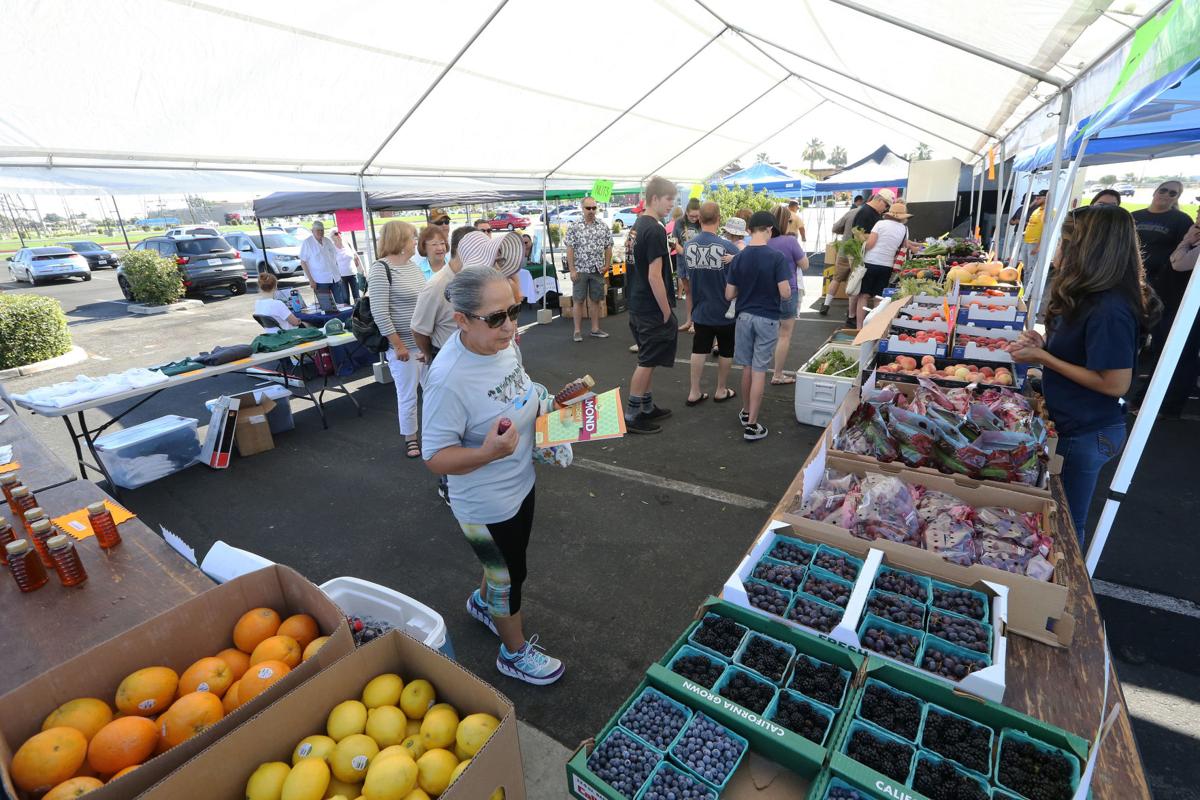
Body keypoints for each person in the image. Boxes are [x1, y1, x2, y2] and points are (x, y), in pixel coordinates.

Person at [422, 267, 565, 685]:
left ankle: (485, 603)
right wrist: (487, 452)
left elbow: (519, 386)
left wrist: (554, 401)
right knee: (509, 575)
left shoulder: (501, 343)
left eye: (514, 311)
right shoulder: (449, 380)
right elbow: (434, 457)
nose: (510, 326)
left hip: (520, 483)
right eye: (496, 318)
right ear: (461, 319)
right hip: (485, 503)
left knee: (506, 564)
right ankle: (514, 652)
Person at [1009, 205, 1159, 544]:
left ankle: (1069, 590)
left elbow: (1115, 383)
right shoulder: (1088, 297)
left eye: (1064, 242)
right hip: (1073, 422)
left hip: (1088, 431)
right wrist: (1044, 344)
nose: (1058, 250)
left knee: (1066, 522)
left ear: (1087, 249)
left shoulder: (1110, 309)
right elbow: (1084, 353)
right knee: (1057, 511)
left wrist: (1045, 358)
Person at [726, 211, 792, 442]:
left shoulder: (739, 258)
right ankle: (752, 425)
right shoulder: (776, 257)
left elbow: (729, 293)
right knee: (759, 370)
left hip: (743, 317)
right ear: (769, 229)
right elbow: (785, 293)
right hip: (767, 318)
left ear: (750, 230)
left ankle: (745, 412)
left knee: (746, 367)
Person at [367, 221, 429, 459]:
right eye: (412, 237)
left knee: (433, 390)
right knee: (408, 394)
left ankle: (435, 433)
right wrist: (398, 345)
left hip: (423, 344)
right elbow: (380, 312)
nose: (415, 242)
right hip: (403, 347)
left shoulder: (412, 267)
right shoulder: (381, 268)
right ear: (401, 240)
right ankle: (411, 438)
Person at [625, 175, 679, 434]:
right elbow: (654, 275)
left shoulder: (637, 226)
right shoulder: (655, 229)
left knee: (650, 358)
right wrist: (667, 312)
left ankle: (645, 407)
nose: (671, 204)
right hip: (650, 307)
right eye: (669, 199)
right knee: (646, 360)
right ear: (655, 198)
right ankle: (632, 414)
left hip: (637, 303)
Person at [684, 201, 738, 406]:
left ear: (699, 218)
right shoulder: (729, 247)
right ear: (718, 219)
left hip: (701, 309)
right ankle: (721, 390)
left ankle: (694, 392)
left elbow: (685, 281)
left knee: (699, 349)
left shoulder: (688, 246)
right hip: (726, 310)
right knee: (726, 350)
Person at [1132, 180, 1193, 362]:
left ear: (1177, 197)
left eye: (1172, 193)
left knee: (1156, 324)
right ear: (1155, 191)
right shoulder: (1134, 216)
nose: (1166, 195)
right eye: (1163, 190)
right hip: (1130, 278)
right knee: (1132, 321)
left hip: (1160, 282)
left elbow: (1184, 249)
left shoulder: (1181, 220)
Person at [412, 225, 473, 366]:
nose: (440, 247)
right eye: (434, 244)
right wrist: (429, 354)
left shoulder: (469, 275)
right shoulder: (434, 284)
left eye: (442, 243)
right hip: (448, 356)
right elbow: (418, 329)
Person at [856, 201, 917, 328]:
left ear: (889, 214)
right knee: (879, 298)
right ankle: (873, 328)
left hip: (870, 263)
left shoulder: (880, 224)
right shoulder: (904, 229)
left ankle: (859, 328)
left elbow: (871, 244)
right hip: (887, 266)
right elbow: (903, 246)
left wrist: (862, 244)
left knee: (863, 296)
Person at [767, 205, 809, 385]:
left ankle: (756, 371)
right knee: (784, 335)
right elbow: (805, 264)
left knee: (764, 334)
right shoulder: (790, 242)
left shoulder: (761, 241)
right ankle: (777, 374)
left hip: (764, 292)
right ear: (785, 222)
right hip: (787, 291)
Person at [1162, 222, 1200, 417]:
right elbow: (1174, 259)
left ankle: (1171, 406)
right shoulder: (1194, 238)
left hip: (1193, 310)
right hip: (1180, 303)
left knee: (1185, 357)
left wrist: (1186, 242)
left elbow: (1179, 263)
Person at [564, 196, 612, 342]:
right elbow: (570, 249)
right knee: (578, 300)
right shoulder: (574, 226)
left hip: (597, 269)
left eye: (594, 208)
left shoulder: (602, 226)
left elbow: (608, 246)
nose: (591, 211)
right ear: (582, 208)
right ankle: (577, 331)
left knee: (596, 300)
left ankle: (595, 329)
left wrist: (607, 265)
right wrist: (572, 269)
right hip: (580, 269)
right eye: (588, 208)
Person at [843, 190, 894, 327]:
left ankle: (856, 320)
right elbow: (857, 235)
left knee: (862, 293)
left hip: (867, 257)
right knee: (859, 291)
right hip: (862, 257)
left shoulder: (873, 213)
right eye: (886, 205)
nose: (886, 209)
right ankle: (853, 318)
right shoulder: (865, 212)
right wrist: (875, 237)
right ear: (879, 200)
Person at [822, 199, 866, 316]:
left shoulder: (851, 212)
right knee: (855, 281)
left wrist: (846, 232)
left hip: (844, 251)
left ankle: (826, 305)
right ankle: (851, 313)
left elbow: (835, 228)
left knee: (836, 278)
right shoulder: (873, 216)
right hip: (858, 254)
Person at [299, 220, 343, 306]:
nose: (320, 232)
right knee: (327, 306)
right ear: (312, 231)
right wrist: (311, 280)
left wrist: (338, 274)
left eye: (322, 230)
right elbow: (303, 262)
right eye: (317, 230)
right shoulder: (307, 243)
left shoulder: (328, 241)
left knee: (341, 304)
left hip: (335, 278)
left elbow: (334, 259)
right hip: (319, 280)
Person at [673, 200, 701, 333]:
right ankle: (689, 320)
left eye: (697, 216)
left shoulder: (702, 222)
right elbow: (674, 241)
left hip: (698, 263)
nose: (695, 219)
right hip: (683, 261)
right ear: (687, 213)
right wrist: (684, 252)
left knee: (697, 292)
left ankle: (697, 321)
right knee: (688, 292)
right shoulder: (679, 222)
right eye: (692, 216)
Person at [1015, 190, 1047, 269]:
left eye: (1039, 198)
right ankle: (1026, 282)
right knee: (1026, 269)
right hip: (1026, 241)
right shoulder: (1036, 210)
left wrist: (1038, 247)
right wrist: (1024, 233)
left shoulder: (1048, 212)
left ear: (1046, 198)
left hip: (1034, 243)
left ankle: (1029, 282)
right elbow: (1031, 224)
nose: (1036, 199)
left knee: (1031, 268)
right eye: (1036, 198)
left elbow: (1046, 231)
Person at [331, 230, 364, 302]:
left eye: (340, 232)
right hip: (341, 276)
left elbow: (356, 256)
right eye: (336, 234)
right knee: (345, 297)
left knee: (357, 296)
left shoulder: (348, 244)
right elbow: (332, 263)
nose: (339, 234)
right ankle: (348, 312)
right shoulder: (332, 248)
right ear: (332, 237)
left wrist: (362, 269)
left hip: (353, 274)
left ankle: (358, 312)